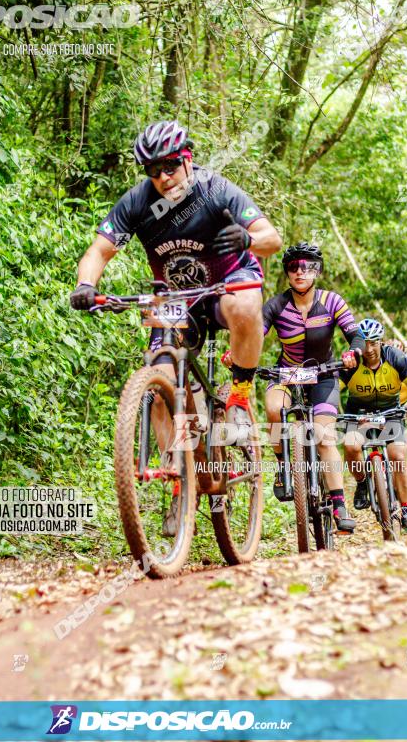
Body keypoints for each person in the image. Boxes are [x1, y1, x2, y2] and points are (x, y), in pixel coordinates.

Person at [70, 119, 282, 530]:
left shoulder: (216, 189)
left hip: (225, 289)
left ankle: (239, 393)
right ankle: (179, 477)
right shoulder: (138, 201)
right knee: (161, 381)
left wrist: (246, 239)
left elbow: (272, 238)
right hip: (176, 300)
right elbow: (98, 250)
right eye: (153, 170)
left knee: (245, 304)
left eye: (170, 166)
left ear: (187, 159)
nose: (163, 178)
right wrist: (85, 284)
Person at [262, 242, 365, 533]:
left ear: (316, 270)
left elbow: (355, 335)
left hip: (324, 374)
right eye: (293, 267)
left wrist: (352, 353)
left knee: (324, 438)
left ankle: (339, 504)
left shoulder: (332, 301)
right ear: (287, 273)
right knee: (273, 408)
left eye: (307, 266)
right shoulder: (276, 305)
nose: (299, 272)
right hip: (287, 372)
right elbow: (256, 333)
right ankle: (283, 466)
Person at [341, 318, 407, 534]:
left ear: (381, 341)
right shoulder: (351, 363)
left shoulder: (396, 357)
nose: (370, 349)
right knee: (352, 448)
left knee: (399, 456)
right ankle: (362, 482)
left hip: (390, 414)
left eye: (374, 342)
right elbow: (332, 389)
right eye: (365, 343)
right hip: (358, 415)